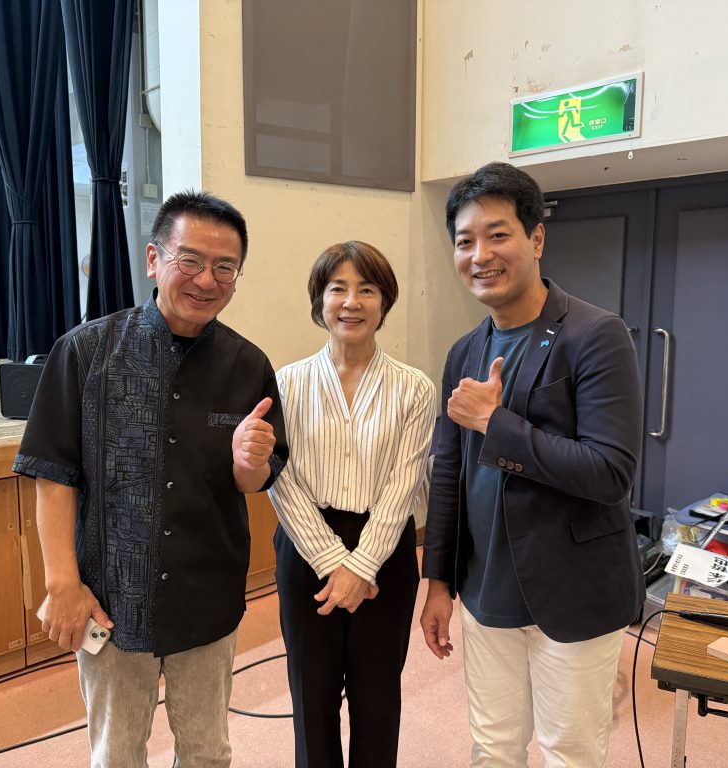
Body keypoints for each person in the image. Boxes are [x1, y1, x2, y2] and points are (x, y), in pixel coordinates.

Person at [13, 190, 289, 768]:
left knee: (207, 753)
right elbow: (52, 474)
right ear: (153, 258)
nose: (206, 280)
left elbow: (253, 483)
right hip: (112, 600)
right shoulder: (85, 352)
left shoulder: (248, 365)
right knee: (116, 755)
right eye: (190, 260)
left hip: (207, 597)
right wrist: (63, 584)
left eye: (225, 267)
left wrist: (250, 461)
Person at [419, 162, 645, 768]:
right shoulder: (465, 350)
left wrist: (496, 424)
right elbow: (449, 475)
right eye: (465, 241)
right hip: (486, 589)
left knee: (569, 753)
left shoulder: (596, 335)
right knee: (493, 748)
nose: (480, 255)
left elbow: (609, 472)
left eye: (498, 235)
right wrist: (438, 582)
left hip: (573, 591)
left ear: (536, 238)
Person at [267, 241, 435, 768]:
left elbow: (404, 484)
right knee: (311, 698)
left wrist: (361, 567)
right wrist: (331, 561)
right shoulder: (286, 383)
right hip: (305, 548)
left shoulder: (414, 388)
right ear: (319, 299)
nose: (351, 302)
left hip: (386, 550)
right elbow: (280, 479)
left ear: (385, 302)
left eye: (367, 289)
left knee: (377, 698)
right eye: (337, 288)